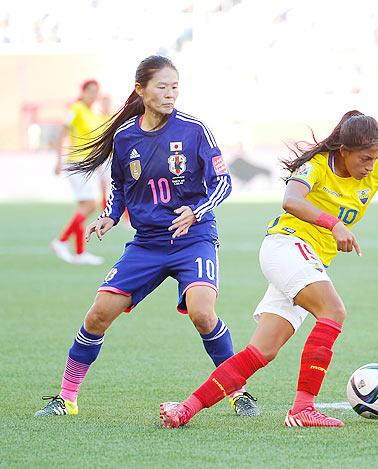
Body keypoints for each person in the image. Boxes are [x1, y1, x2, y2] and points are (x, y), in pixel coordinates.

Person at [159, 110, 378, 428]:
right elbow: (291, 200)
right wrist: (334, 224)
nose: (371, 166)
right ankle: (303, 408)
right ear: (344, 151)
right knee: (333, 311)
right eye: (365, 158)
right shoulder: (316, 166)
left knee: (263, 350)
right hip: (286, 247)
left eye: (375, 158)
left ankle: (185, 409)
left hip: (305, 262)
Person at [35, 55, 259, 418]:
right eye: (162, 87)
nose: (170, 94)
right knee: (98, 315)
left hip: (193, 237)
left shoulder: (194, 130)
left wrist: (196, 211)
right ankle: (67, 399)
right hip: (148, 243)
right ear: (140, 89)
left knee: (203, 313)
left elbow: (223, 182)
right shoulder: (125, 138)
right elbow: (121, 186)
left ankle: (239, 391)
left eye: (175, 87)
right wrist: (109, 216)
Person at [51, 79, 105, 265]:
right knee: (90, 205)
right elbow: (62, 133)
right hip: (76, 164)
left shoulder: (93, 114)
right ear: (82, 92)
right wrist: (58, 160)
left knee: (84, 206)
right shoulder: (76, 109)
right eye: (90, 91)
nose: (93, 95)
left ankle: (80, 253)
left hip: (87, 165)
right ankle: (62, 240)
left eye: (95, 91)